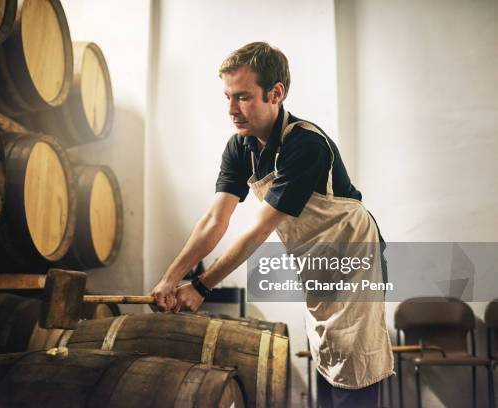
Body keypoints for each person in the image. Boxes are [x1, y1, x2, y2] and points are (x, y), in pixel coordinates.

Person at [150, 42, 393, 407]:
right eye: (227, 97)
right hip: (315, 261)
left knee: (354, 369)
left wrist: (201, 286)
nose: (232, 110)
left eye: (243, 97)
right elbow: (216, 219)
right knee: (327, 359)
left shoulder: (307, 144)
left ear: (276, 93)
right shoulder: (240, 147)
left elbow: (259, 230)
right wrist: (171, 276)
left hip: (354, 258)